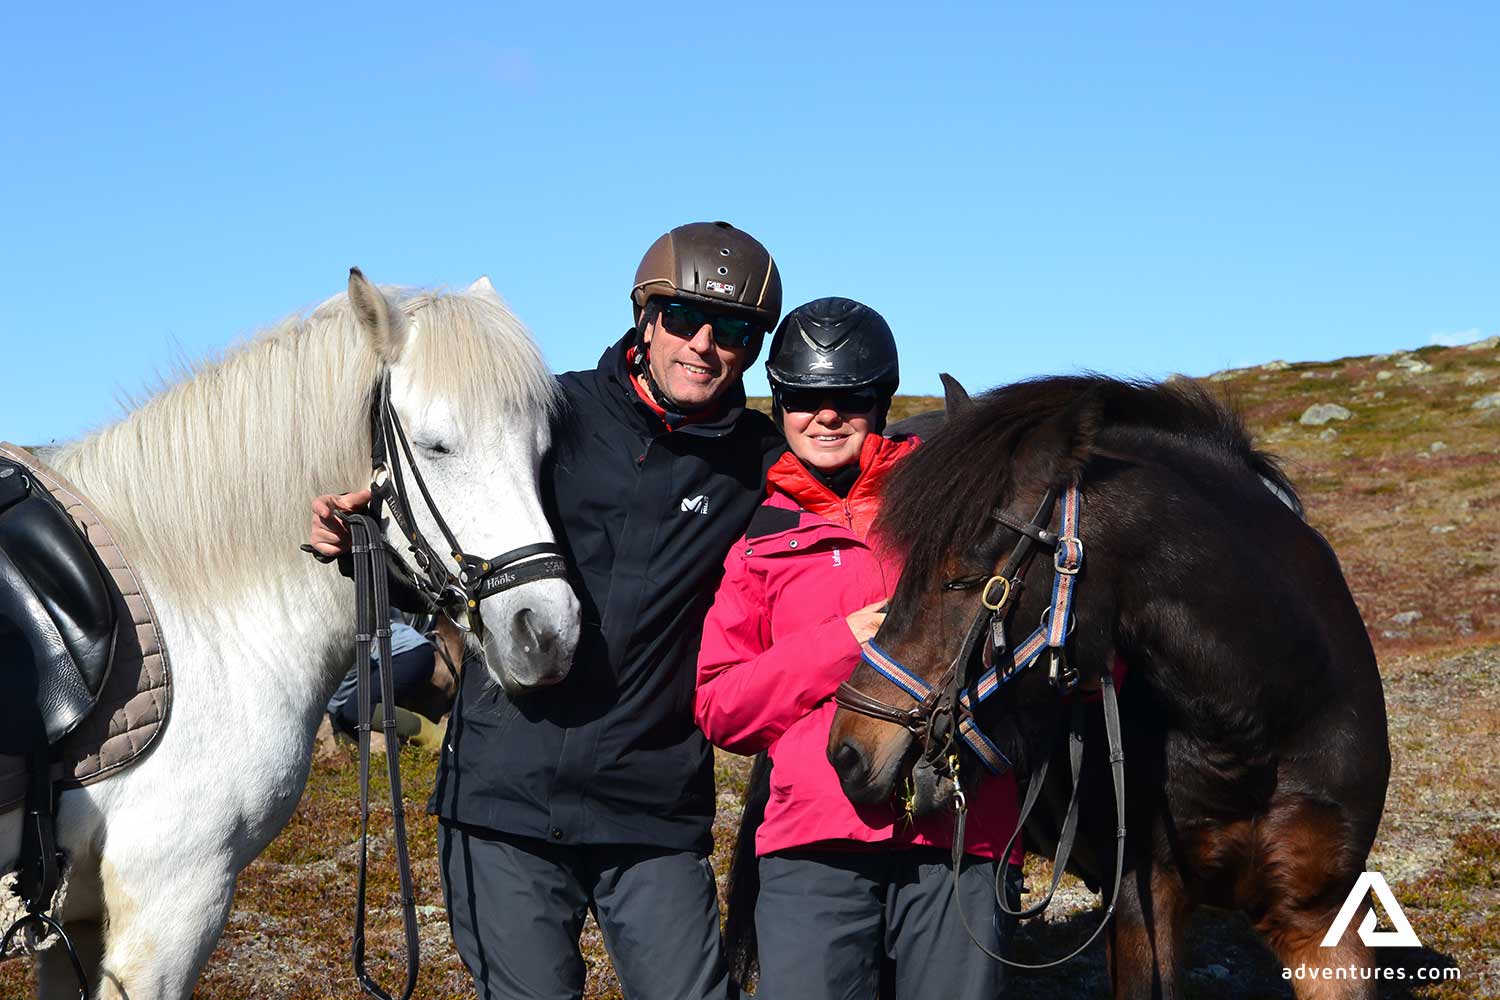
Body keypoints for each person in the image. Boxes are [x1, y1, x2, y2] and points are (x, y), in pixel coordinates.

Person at [310, 222, 784, 999]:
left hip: (651, 813)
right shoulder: (545, 411)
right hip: (504, 803)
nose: (704, 343)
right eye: (682, 318)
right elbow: (453, 536)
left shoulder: (757, 465)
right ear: (645, 317)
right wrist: (357, 544)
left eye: (733, 329)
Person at [694, 297, 1024, 999]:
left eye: (849, 397)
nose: (826, 415)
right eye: (805, 398)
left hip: (960, 836)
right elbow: (722, 707)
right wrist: (841, 644)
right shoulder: (758, 543)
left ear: (878, 402)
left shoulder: (953, 502)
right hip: (813, 845)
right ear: (779, 405)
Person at [324, 608, 445, 748]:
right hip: (408, 651)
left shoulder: (335, 638)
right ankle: (356, 765)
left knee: (355, 709)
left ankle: (439, 739)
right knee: (346, 712)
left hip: (410, 653)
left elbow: (344, 690)